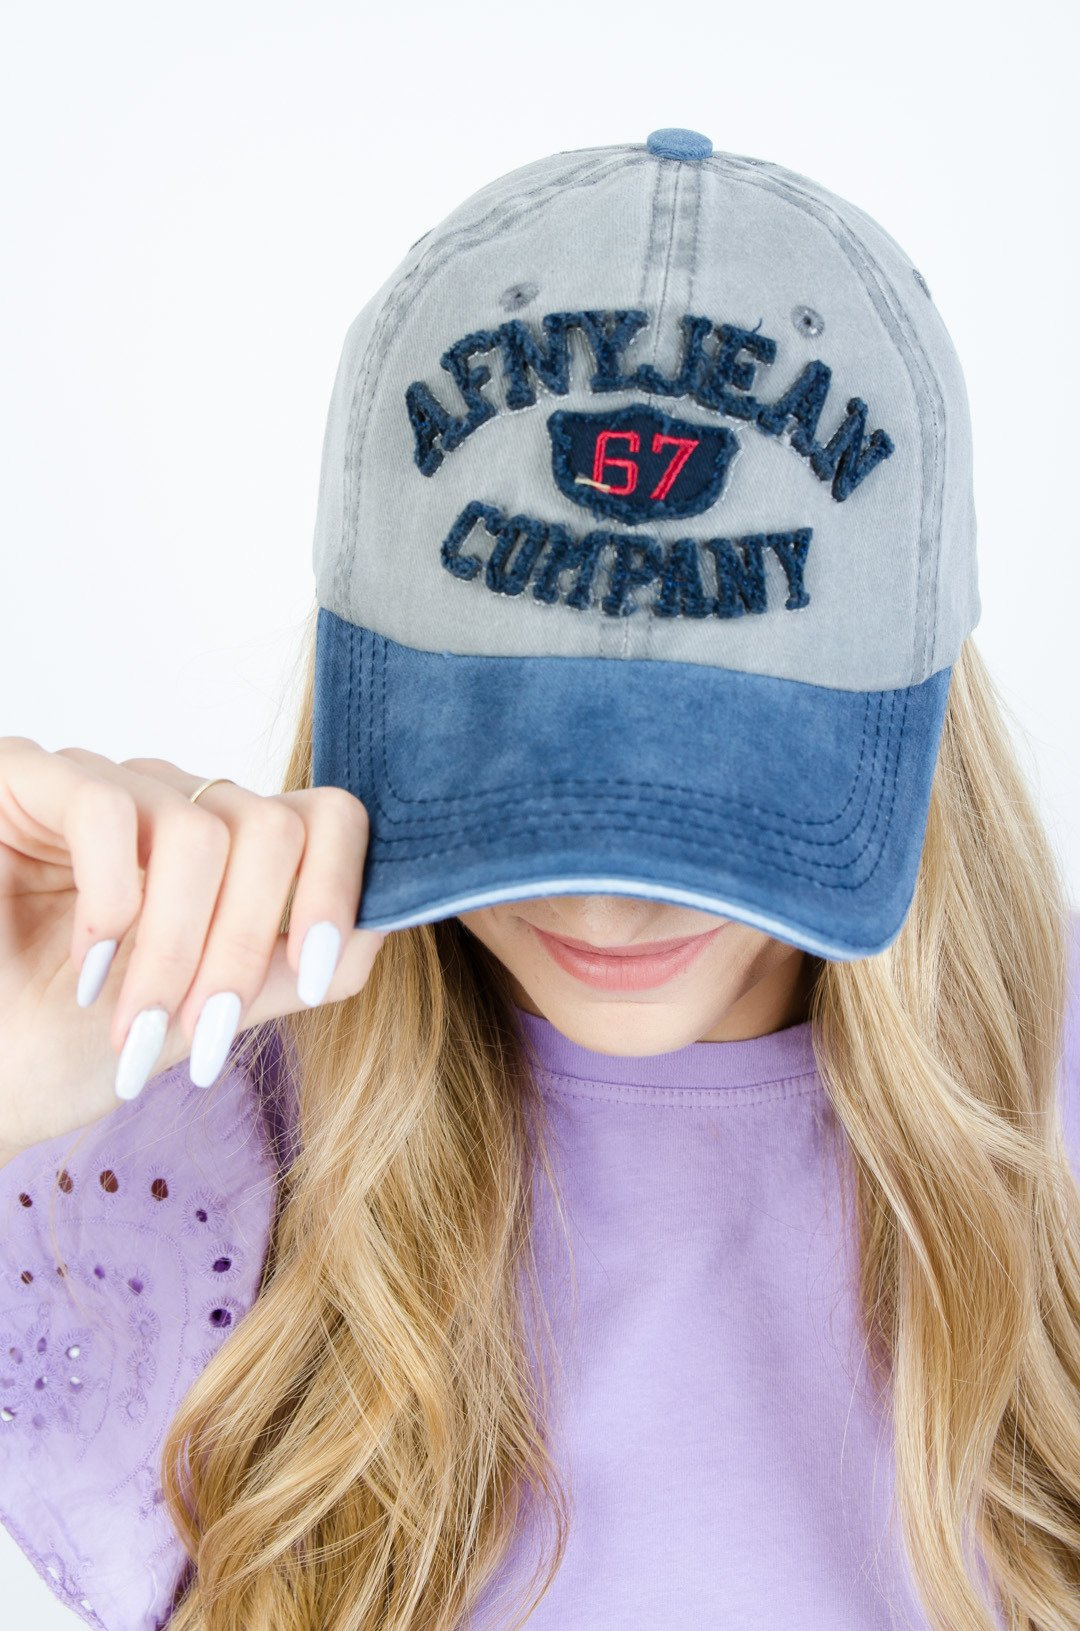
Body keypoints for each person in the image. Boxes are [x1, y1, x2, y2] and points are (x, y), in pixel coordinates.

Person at [1, 130, 1078, 1631]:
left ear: (914, 705)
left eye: (718, 797)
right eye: (515, 780)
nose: (607, 907)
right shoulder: (155, 1151)